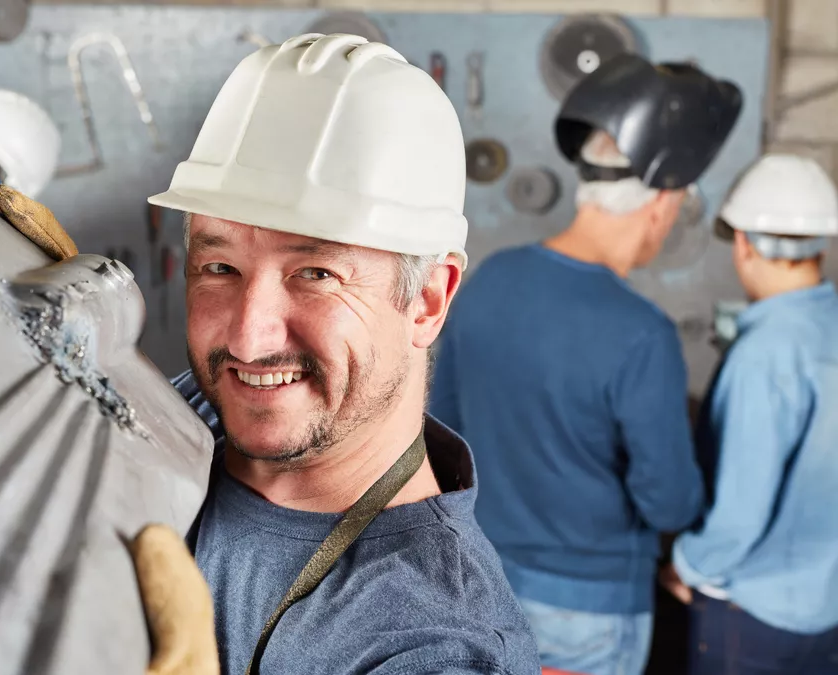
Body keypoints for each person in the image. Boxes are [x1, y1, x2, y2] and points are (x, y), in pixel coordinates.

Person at [149, 33, 540, 675]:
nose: (249, 340)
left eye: (317, 274)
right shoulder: (185, 415)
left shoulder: (435, 646)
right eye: (219, 267)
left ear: (427, 302)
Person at [427, 54, 742, 675]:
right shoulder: (641, 333)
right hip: (591, 611)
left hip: (481, 582)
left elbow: (443, 430)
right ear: (663, 205)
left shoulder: (490, 280)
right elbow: (668, 503)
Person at [662, 153, 838, 674]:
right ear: (821, 245)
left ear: (742, 244)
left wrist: (686, 566)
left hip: (752, 614)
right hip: (825, 608)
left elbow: (739, 517)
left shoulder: (765, 353)